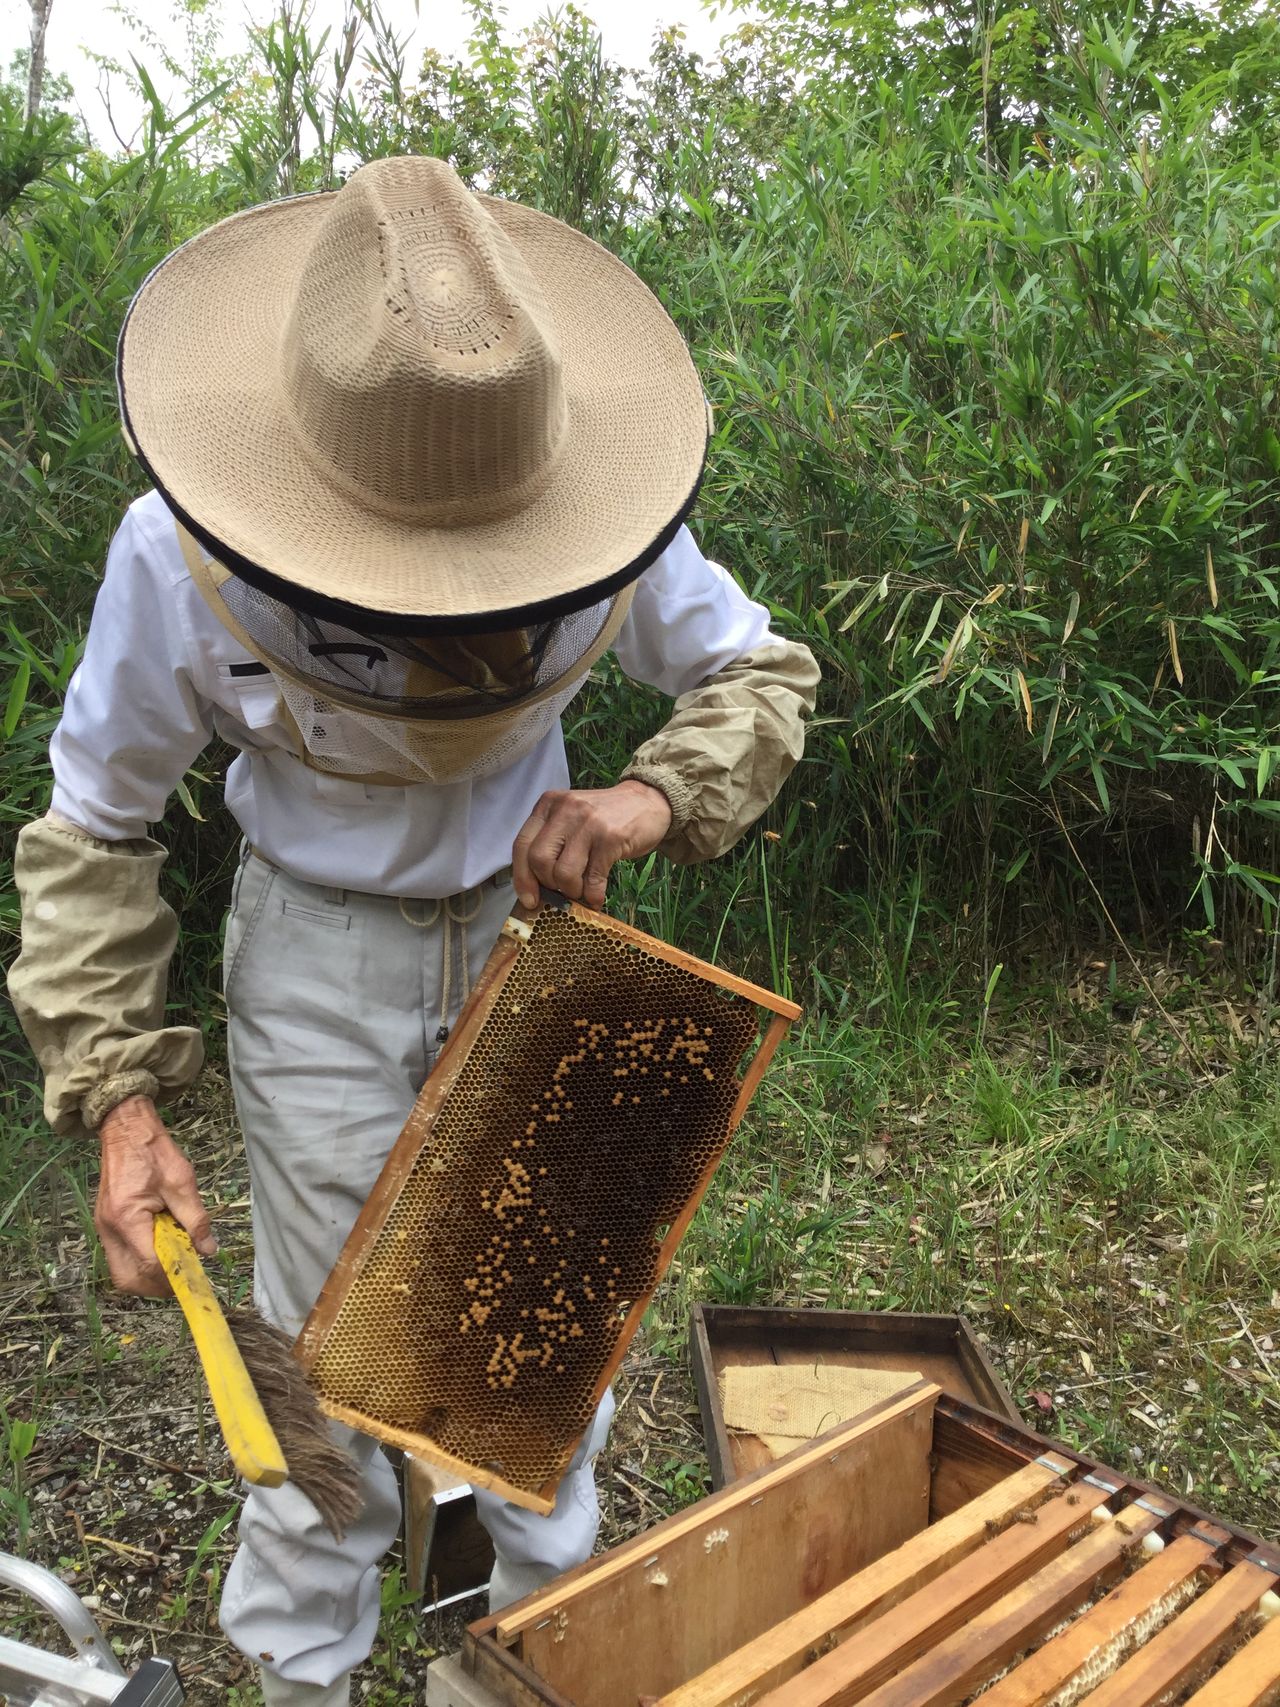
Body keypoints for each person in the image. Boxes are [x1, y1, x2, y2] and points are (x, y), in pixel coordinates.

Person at [8, 155, 819, 1705]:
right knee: (324, 1369)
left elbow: (758, 672)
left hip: (541, 951)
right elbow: (95, 827)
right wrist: (117, 1099)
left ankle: (521, 1667)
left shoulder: (605, 521)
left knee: (534, 1349)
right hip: (316, 958)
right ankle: (305, 1677)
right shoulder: (174, 555)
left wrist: (647, 797)